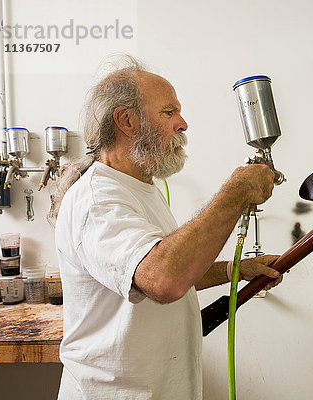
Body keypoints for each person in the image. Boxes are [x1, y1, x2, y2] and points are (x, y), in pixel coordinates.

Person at [49, 57, 282, 399]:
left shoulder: (141, 188)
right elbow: (162, 279)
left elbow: (150, 273)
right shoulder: (98, 200)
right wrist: (234, 193)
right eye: (169, 112)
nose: (183, 123)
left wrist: (234, 269)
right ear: (127, 121)